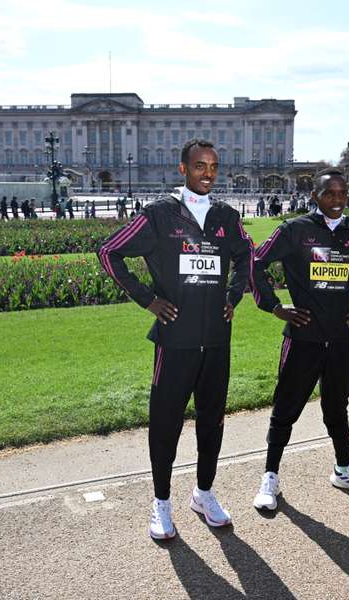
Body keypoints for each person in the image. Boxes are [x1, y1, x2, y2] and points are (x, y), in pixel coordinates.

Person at [97, 139, 253, 540]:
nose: (208, 173)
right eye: (200, 166)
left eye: (214, 167)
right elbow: (108, 251)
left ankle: (203, 493)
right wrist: (148, 300)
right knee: (166, 426)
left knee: (212, 423)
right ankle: (161, 503)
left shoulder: (226, 216)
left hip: (216, 342)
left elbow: (247, 255)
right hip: (175, 342)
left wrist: (234, 295)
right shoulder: (159, 215)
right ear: (182, 169)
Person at [250, 169, 349, 511]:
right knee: (285, 410)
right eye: (329, 193)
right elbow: (255, 264)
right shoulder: (295, 230)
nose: (337, 200)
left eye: (342, 193)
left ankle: (344, 468)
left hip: (339, 339)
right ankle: (270, 477)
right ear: (314, 197)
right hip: (302, 338)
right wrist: (275, 307)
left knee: (337, 407)